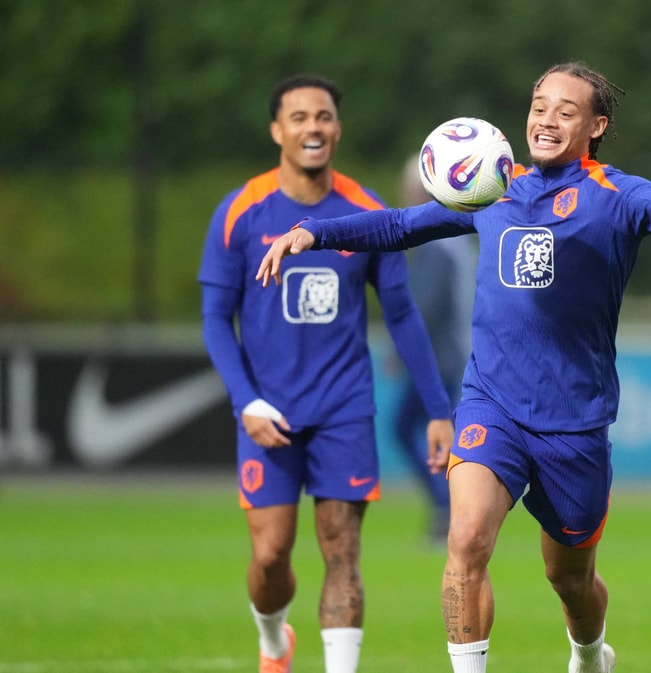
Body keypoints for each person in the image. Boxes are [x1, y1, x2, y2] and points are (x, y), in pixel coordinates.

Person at [257, 61, 651, 673]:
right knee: (467, 537)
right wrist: (312, 232)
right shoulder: (493, 191)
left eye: (566, 110)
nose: (546, 118)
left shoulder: (614, 196)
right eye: (538, 104)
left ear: (595, 125)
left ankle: (588, 652)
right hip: (490, 404)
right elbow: (398, 225)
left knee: (571, 581)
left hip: (573, 422)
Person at [198, 73, 455, 673]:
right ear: (276, 130)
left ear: (337, 128)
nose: (313, 127)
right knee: (270, 557)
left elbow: (402, 313)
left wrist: (439, 409)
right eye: (300, 117)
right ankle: (272, 641)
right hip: (269, 410)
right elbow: (215, 318)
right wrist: (246, 402)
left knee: (342, 552)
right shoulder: (240, 212)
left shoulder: (366, 212)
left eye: (324, 117)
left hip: (344, 407)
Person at [389, 154, 477, 541]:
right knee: (437, 435)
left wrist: (401, 352)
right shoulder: (458, 240)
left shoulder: (436, 245)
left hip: (440, 359)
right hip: (456, 354)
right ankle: (449, 507)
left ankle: (447, 507)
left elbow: (425, 308)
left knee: (411, 430)